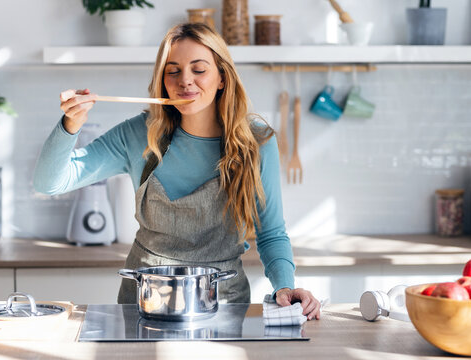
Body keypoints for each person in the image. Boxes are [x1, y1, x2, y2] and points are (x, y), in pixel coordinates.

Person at [34, 23, 321, 320]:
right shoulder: (138, 135)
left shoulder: (256, 141)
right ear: (162, 81)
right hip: (144, 303)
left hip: (222, 304)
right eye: (173, 71)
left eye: (199, 70)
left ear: (222, 78)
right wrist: (71, 125)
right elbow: (49, 183)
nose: (185, 81)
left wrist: (284, 287)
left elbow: (271, 233)